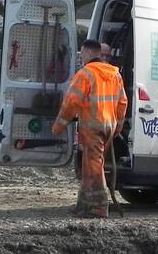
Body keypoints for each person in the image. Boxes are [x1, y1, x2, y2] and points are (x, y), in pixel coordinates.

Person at [52, 40, 128, 218]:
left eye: (81, 53)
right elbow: (122, 102)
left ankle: (99, 206)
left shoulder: (85, 74)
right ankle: (84, 205)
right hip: (108, 126)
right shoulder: (114, 74)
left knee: (94, 166)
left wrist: (58, 126)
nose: (80, 57)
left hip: (93, 127)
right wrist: (118, 126)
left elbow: (71, 103)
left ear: (87, 53)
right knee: (89, 165)